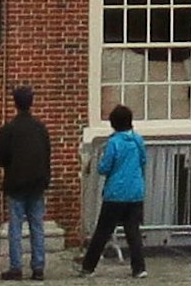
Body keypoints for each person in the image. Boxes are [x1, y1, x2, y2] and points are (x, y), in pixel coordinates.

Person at [81, 102, 153, 278]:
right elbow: (143, 161)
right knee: (133, 231)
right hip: (135, 192)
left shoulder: (114, 143)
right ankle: (139, 268)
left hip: (116, 193)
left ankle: (88, 266)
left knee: (103, 231)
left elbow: (104, 167)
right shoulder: (138, 141)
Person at [0, 83, 56, 281]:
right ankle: (38, 267)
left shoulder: (9, 129)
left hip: (15, 182)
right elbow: (47, 153)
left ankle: (16, 267)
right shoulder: (40, 129)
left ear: (15, 103)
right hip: (37, 182)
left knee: (15, 227)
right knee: (37, 226)